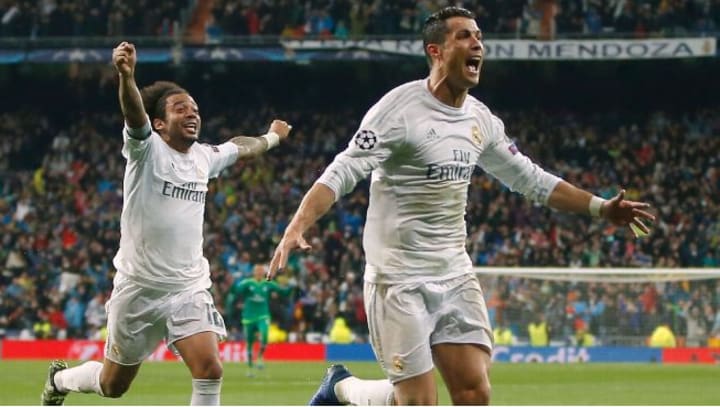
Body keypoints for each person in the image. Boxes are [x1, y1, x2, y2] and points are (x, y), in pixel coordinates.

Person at [268, 6, 654, 406]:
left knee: (474, 392)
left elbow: (531, 179)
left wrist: (601, 208)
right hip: (398, 277)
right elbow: (342, 171)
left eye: (479, 36)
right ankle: (342, 388)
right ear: (435, 51)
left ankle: (348, 387)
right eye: (464, 36)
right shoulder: (398, 110)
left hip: (454, 272)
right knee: (418, 403)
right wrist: (298, 225)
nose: (477, 44)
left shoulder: (479, 119)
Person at [40, 41, 292, 406]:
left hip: (187, 287)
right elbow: (134, 115)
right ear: (159, 123)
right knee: (113, 385)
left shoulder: (204, 157)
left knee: (210, 369)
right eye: (180, 109)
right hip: (139, 287)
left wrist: (272, 137)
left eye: (195, 109)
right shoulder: (146, 150)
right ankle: (60, 379)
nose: (192, 114)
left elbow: (240, 146)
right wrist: (127, 77)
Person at [225, 264, 294, 376]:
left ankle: (260, 357)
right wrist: (232, 283)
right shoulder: (247, 283)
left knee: (265, 335)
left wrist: (291, 286)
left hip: (263, 315)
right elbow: (236, 292)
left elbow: (283, 293)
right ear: (254, 272)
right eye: (257, 270)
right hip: (249, 317)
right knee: (249, 343)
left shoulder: (268, 283)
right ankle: (250, 368)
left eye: (261, 271)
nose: (259, 272)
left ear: (264, 272)